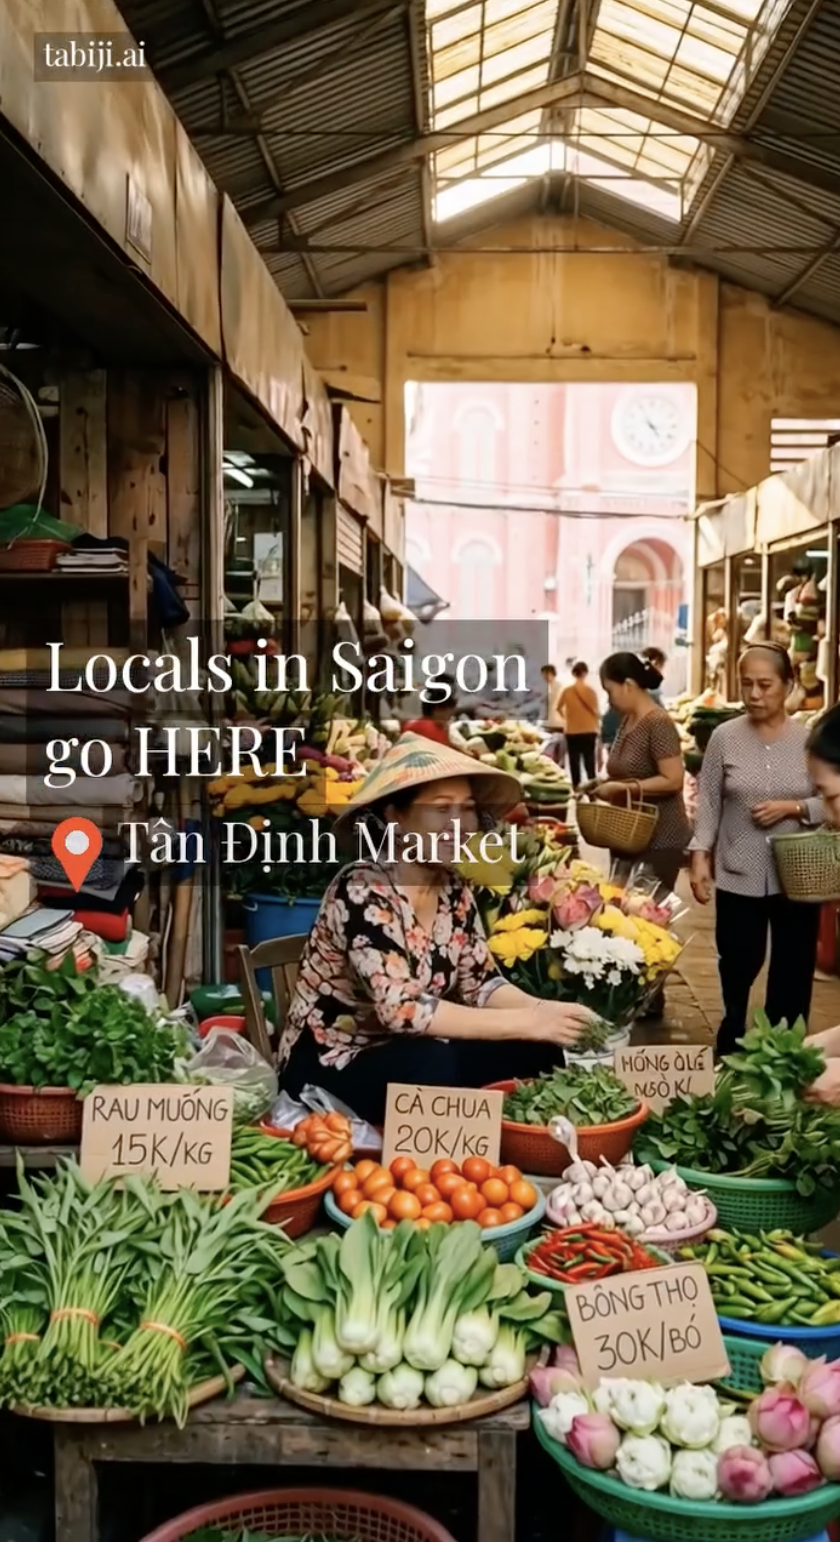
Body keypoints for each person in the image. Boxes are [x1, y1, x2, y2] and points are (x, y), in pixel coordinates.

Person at [278, 734, 595, 1123]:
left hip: (409, 1052)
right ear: (395, 817)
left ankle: (532, 1145)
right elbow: (401, 1010)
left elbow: (481, 984)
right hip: (333, 1061)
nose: (458, 823)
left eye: (467, 809)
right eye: (440, 808)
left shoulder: (453, 886)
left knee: (537, 1049)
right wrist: (529, 1021)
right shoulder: (363, 889)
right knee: (433, 1063)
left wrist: (548, 1013)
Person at [689, 642, 823, 1058]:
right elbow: (709, 801)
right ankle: (732, 1037)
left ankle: (783, 1049)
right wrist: (699, 854)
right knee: (737, 960)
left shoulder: (810, 741)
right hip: (738, 869)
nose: (754, 694)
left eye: (765, 684)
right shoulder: (724, 738)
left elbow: (832, 800)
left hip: (798, 874)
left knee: (794, 966)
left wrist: (795, 808)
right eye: (746, 684)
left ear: (788, 685)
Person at [597, 651, 690, 893]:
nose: (609, 700)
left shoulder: (657, 722)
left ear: (628, 685)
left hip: (661, 837)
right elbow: (628, 770)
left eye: (610, 691)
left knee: (642, 911)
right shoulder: (627, 721)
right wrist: (602, 784)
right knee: (615, 905)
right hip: (628, 834)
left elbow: (673, 780)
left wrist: (623, 788)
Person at [402, 675, 483, 758]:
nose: (454, 709)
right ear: (438, 707)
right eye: (452, 704)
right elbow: (446, 756)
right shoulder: (427, 729)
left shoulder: (434, 726)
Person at [559, 662, 600, 789]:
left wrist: (567, 718)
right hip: (589, 730)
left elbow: (558, 708)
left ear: (573, 674)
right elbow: (596, 711)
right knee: (589, 759)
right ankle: (592, 785)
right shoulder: (591, 691)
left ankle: (576, 786)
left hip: (572, 730)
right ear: (585, 673)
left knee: (574, 760)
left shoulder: (567, 691)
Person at [541, 662, 566, 766]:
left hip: (558, 723)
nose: (545, 677)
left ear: (552, 674)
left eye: (547, 674)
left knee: (558, 751)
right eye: (543, 675)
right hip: (549, 723)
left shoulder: (559, 687)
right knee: (552, 751)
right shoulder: (548, 687)